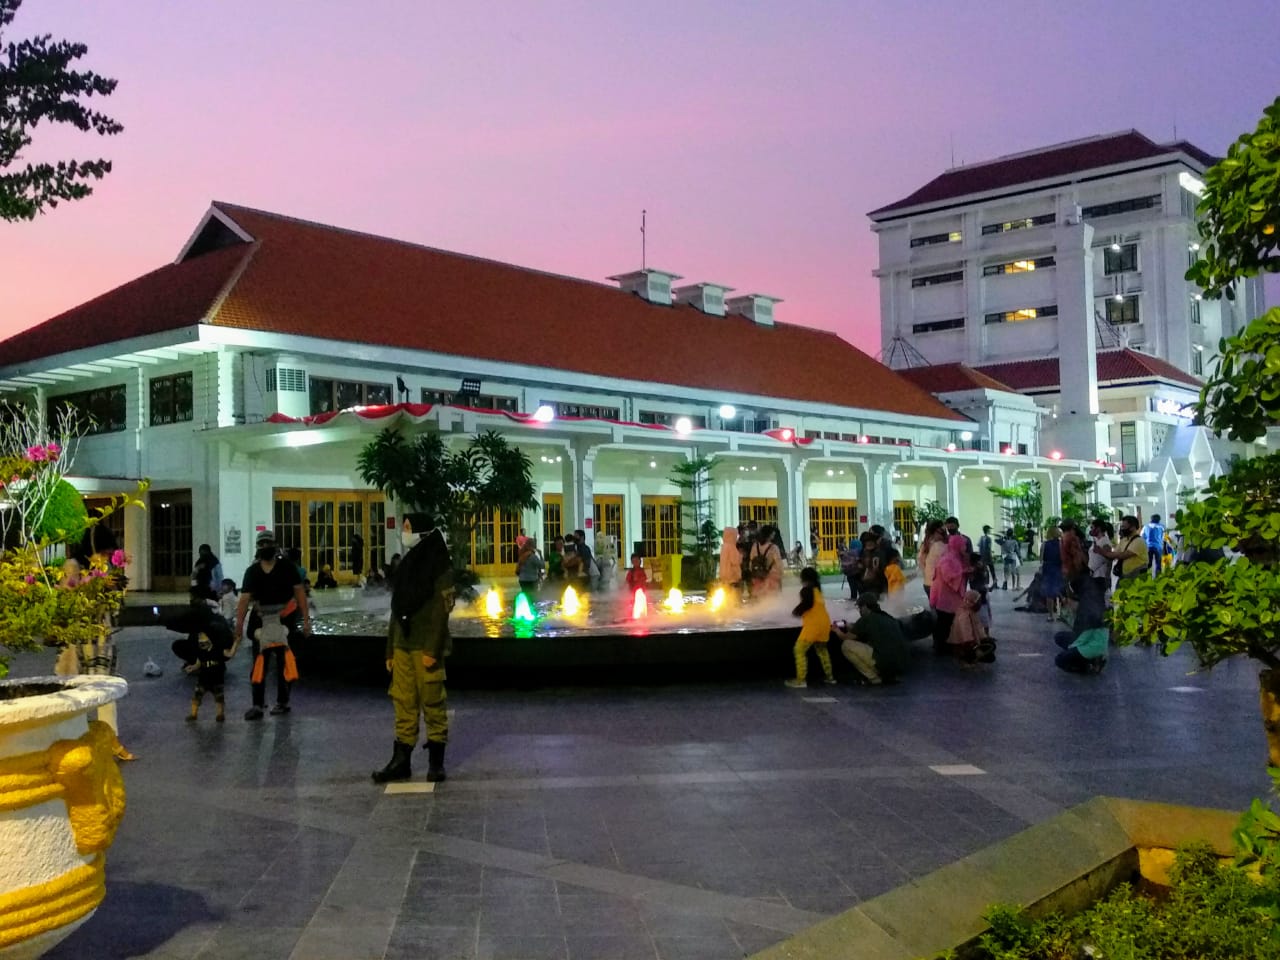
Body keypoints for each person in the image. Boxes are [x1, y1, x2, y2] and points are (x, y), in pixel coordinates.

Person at [372, 514, 455, 784]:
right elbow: (397, 610)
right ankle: (401, 761)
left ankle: (436, 762)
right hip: (402, 645)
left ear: (421, 531)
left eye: (408, 528)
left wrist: (432, 648)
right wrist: (389, 650)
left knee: (432, 701)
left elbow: (441, 613)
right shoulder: (407, 565)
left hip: (425, 646)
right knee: (403, 701)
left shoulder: (440, 566)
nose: (403, 532)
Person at [231, 529, 309, 720]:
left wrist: (306, 620)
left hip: (285, 618)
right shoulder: (253, 571)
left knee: (285, 663)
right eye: (262, 544)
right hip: (261, 620)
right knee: (259, 663)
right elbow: (244, 600)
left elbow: (299, 593)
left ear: (275, 545)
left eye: (269, 543)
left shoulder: (287, 568)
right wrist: (239, 626)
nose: (266, 547)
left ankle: (283, 701)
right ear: (258, 547)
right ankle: (257, 704)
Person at [172, 596, 234, 723]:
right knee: (212, 694)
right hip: (217, 658)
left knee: (212, 695)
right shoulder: (218, 619)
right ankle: (214, 714)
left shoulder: (201, 624)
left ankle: (215, 714)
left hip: (210, 659)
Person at [833, 591, 909, 685]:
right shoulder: (888, 617)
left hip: (885, 663)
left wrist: (836, 629)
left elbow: (845, 637)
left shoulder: (867, 619)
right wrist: (848, 625)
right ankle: (890, 674)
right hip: (901, 664)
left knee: (846, 645)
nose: (859, 610)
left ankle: (874, 678)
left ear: (865, 606)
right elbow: (861, 629)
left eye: (860, 607)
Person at [785, 567, 835, 688]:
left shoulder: (806, 590)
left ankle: (800, 680)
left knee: (799, 650)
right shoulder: (817, 589)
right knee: (822, 650)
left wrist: (794, 612)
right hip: (824, 623)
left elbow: (807, 604)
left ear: (803, 578)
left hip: (813, 625)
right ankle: (830, 678)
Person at [929, 536, 969, 654]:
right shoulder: (948, 559)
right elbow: (948, 576)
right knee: (944, 621)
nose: (965, 547)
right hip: (944, 595)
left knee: (947, 620)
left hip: (948, 595)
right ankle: (941, 646)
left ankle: (945, 644)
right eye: (963, 545)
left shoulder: (956, 557)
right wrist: (963, 572)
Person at [1093, 516, 1147, 594]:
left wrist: (1102, 552)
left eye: (1124, 527)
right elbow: (1114, 553)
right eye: (1122, 527)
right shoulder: (1124, 540)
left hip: (1137, 576)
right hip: (1125, 575)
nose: (1121, 529)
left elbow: (1122, 555)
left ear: (1132, 527)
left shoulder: (1139, 541)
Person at [949, 589, 995, 664]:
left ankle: (971, 657)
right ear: (972, 602)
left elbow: (978, 629)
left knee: (991, 647)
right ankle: (966, 659)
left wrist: (984, 638)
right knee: (987, 655)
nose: (980, 605)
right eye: (978, 602)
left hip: (970, 642)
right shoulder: (964, 615)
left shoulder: (971, 612)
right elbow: (966, 636)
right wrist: (976, 648)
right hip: (964, 645)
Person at [747, 524, 784, 596]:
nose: (774, 536)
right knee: (771, 601)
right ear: (769, 535)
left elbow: (751, 560)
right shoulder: (773, 547)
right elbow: (779, 564)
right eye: (773, 534)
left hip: (758, 578)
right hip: (771, 577)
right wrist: (780, 575)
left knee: (760, 601)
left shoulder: (755, 546)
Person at [1039, 525, 1065, 622]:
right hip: (1059, 568)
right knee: (1060, 591)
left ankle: (1050, 615)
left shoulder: (1044, 544)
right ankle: (1060, 614)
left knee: (1049, 593)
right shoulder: (1061, 544)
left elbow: (1041, 559)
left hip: (1048, 569)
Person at [919, 520, 946, 599]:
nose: (944, 534)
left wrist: (927, 573)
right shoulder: (940, 546)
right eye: (942, 532)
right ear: (936, 532)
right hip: (939, 584)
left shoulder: (925, 545)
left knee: (934, 608)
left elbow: (921, 562)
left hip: (928, 583)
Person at [1087, 519, 1114, 596]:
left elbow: (1109, 559)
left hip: (1101, 575)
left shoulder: (1105, 542)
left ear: (1098, 528)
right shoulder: (1097, 540)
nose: (1091, 530)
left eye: (1092, 527)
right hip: (1094, 574)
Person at [977, 526, 998, 590]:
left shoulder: (981, 538)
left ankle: (986, 584)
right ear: (987, 530)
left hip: (982, 557)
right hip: (988, 556)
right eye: (989, 530)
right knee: (992, 570)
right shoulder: (989, 538)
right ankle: (995, 584)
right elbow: (988, 548)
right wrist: (991, 555)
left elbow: (979, 546)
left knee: (985, 571)